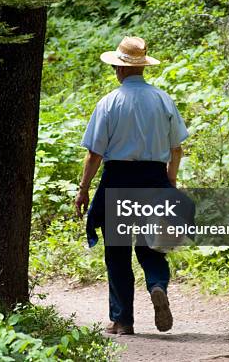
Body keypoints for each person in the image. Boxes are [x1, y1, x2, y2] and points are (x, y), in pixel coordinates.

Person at [74, 36, 189, 335]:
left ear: (119, 69)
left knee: (117, 251)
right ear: (142, 68)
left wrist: (84, 189)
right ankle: (156, 286)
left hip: (118, 181)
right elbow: (177, 149)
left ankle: (123, 320)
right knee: (153, 248)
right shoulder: (163, 100)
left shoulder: (109, 103)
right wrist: (170, 182)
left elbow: (94, 154)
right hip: (154, 180)